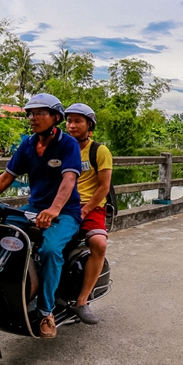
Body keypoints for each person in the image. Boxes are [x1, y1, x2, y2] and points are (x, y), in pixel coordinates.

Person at [0, 94, 82, 339]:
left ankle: (46, 312)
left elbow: (69, 180)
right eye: (30, 114)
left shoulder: (68, 144)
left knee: (50, 250)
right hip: (33, 210)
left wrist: (54, 210)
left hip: (65, 212)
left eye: (40, 113)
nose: (33, 118)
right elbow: (6, 177)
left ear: (56, 117)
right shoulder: (28, 144)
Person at [64, 103, 112, 325]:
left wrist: (84, 210)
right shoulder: (61, 148)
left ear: (89, 125)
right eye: (69, 121)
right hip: (63, 205)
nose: (72, 126)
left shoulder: (99, 151)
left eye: (77, 121)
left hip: (91, 207)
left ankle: (82, 301)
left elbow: (103, 187)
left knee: (99, 243)